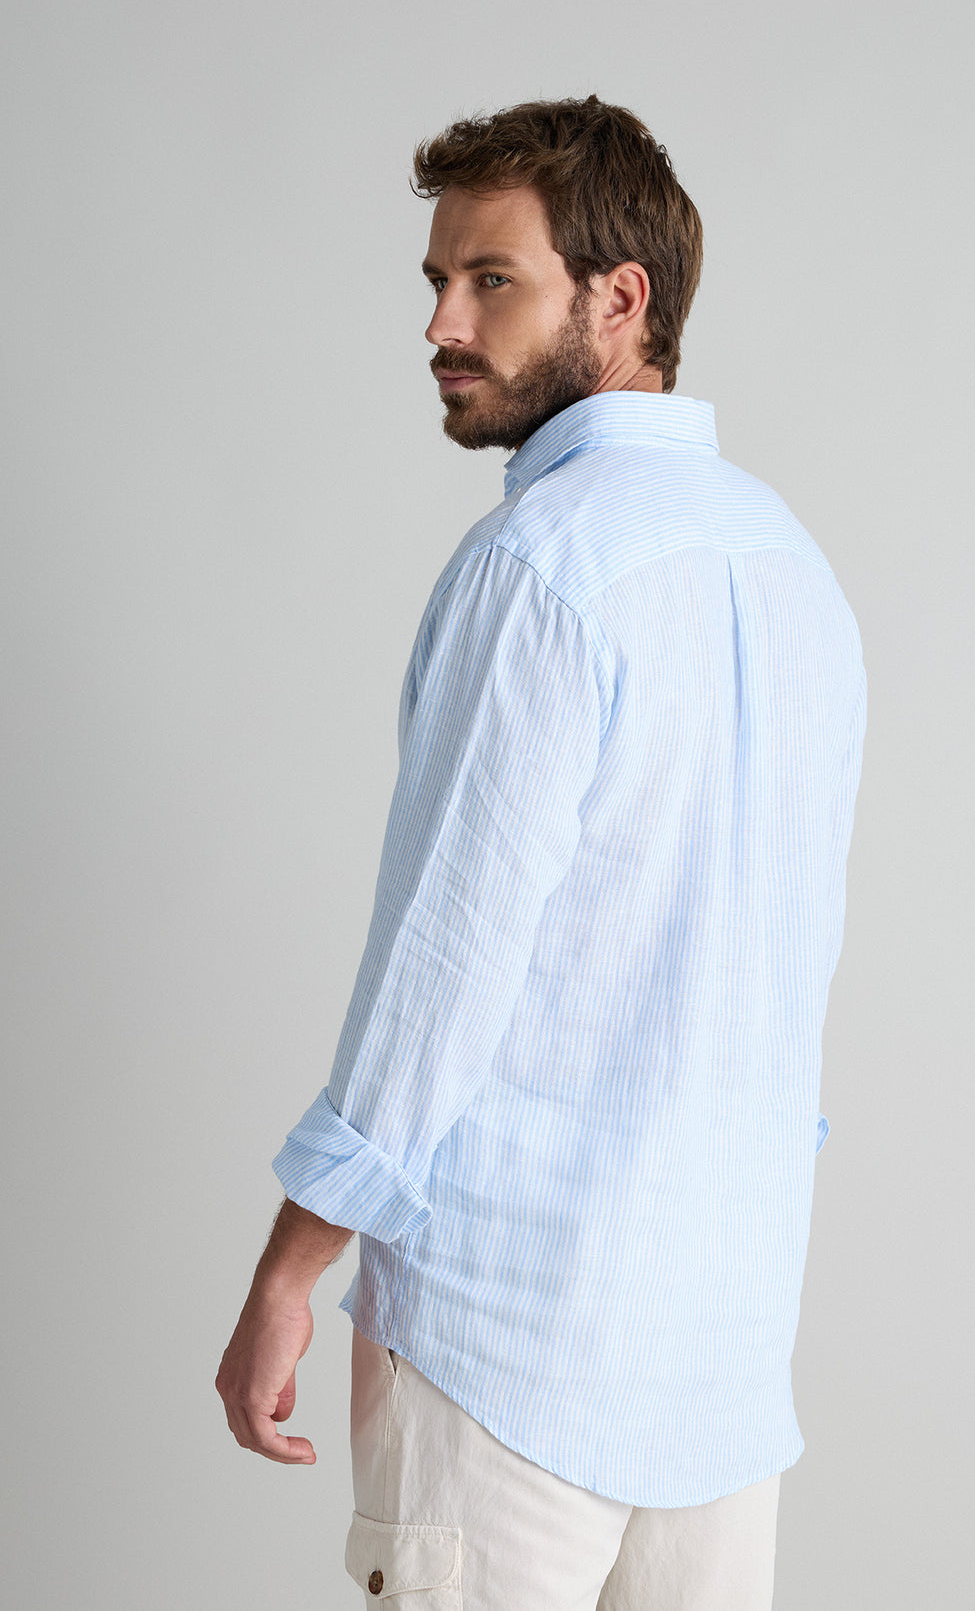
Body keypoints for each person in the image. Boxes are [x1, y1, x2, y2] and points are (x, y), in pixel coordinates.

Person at [216, 96, 866, 1610]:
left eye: (490, 279)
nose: (442, 323)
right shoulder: (789, 564)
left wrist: (290, 1268)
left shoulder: (537, 567)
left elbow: (439, 979)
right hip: (722, 1359)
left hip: (508, 1349)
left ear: (620, 299)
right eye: (437, 281)